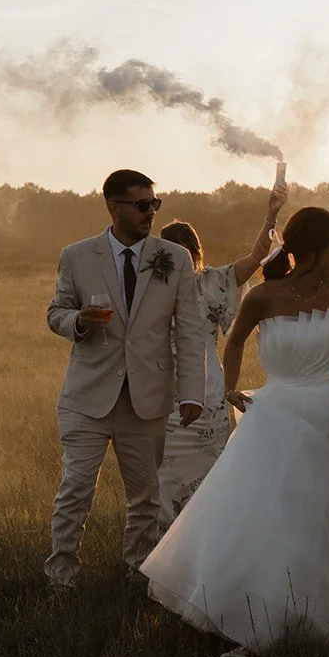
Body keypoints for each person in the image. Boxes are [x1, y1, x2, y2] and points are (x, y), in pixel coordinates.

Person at [142, 207, 329, 657]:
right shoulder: (263, 296)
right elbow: (236, 340)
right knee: (272, 516)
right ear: (313, 249)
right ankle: (259, 624)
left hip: (328, 413)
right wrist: (228, 390)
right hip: (273, 415)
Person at [44, 169, 207, 590]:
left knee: (145, 496)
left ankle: (136, 572)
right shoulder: (77, 256)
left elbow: (189, 330)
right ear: (113, 207)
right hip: (88, 395)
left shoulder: (176, 257)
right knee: (76, 488)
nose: (150, 211)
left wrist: (192, 393)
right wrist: (78, 321)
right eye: (140, 204)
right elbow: (55, 312)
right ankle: (61, 575)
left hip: (147, 397)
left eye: (154, 203)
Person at [154, 178, 287, 523]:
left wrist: (271, 216)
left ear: (197, 254)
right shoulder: (148, 291)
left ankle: (201, 557)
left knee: (209, 486)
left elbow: (257, 258)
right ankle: (158, 562)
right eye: (172, 255)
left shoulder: (211, 282)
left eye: (188, 254)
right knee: (160, 484)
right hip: (158, 395)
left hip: (206, 393)